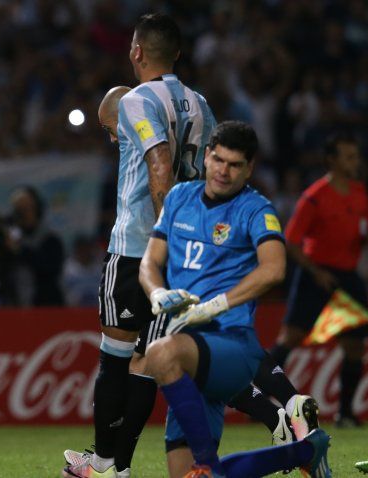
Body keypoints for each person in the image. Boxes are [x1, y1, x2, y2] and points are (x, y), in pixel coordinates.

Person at [63, 12, 217, 478]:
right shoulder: (200, 104)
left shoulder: (136, 100)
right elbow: (209, 176)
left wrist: (166, 235)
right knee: (146, 364)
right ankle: (119, 466)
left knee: (115, 357)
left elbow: (159, 164)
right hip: (182, 252)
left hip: (137, 249)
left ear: (136, 51)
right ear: (178, 54)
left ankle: (104, 464)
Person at [139, 120, 331, 478]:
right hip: (189, 351)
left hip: (232, 345)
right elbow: (149, 261)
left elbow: (274, 269)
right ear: (207, 156)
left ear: (249, 168)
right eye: (219, 160)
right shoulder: (179, 198)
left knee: (159, 353)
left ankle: (206, 463)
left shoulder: (256, 209)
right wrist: (157, 293)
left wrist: (215, 305)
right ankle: (306, 450)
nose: (223, 171)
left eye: (235, 164)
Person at [264, 133, 368, 427]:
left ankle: (345, 414)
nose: (355, 162)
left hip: (347, 277)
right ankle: (257, 399)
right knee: (290, 338)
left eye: (355, 156)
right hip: (315, 274)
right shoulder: (314, 196)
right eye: (348, 156)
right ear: (331, 160)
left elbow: (366, 231)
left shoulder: (360, 193)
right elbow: (291, 242)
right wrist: (316, 272)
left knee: (355, 345)